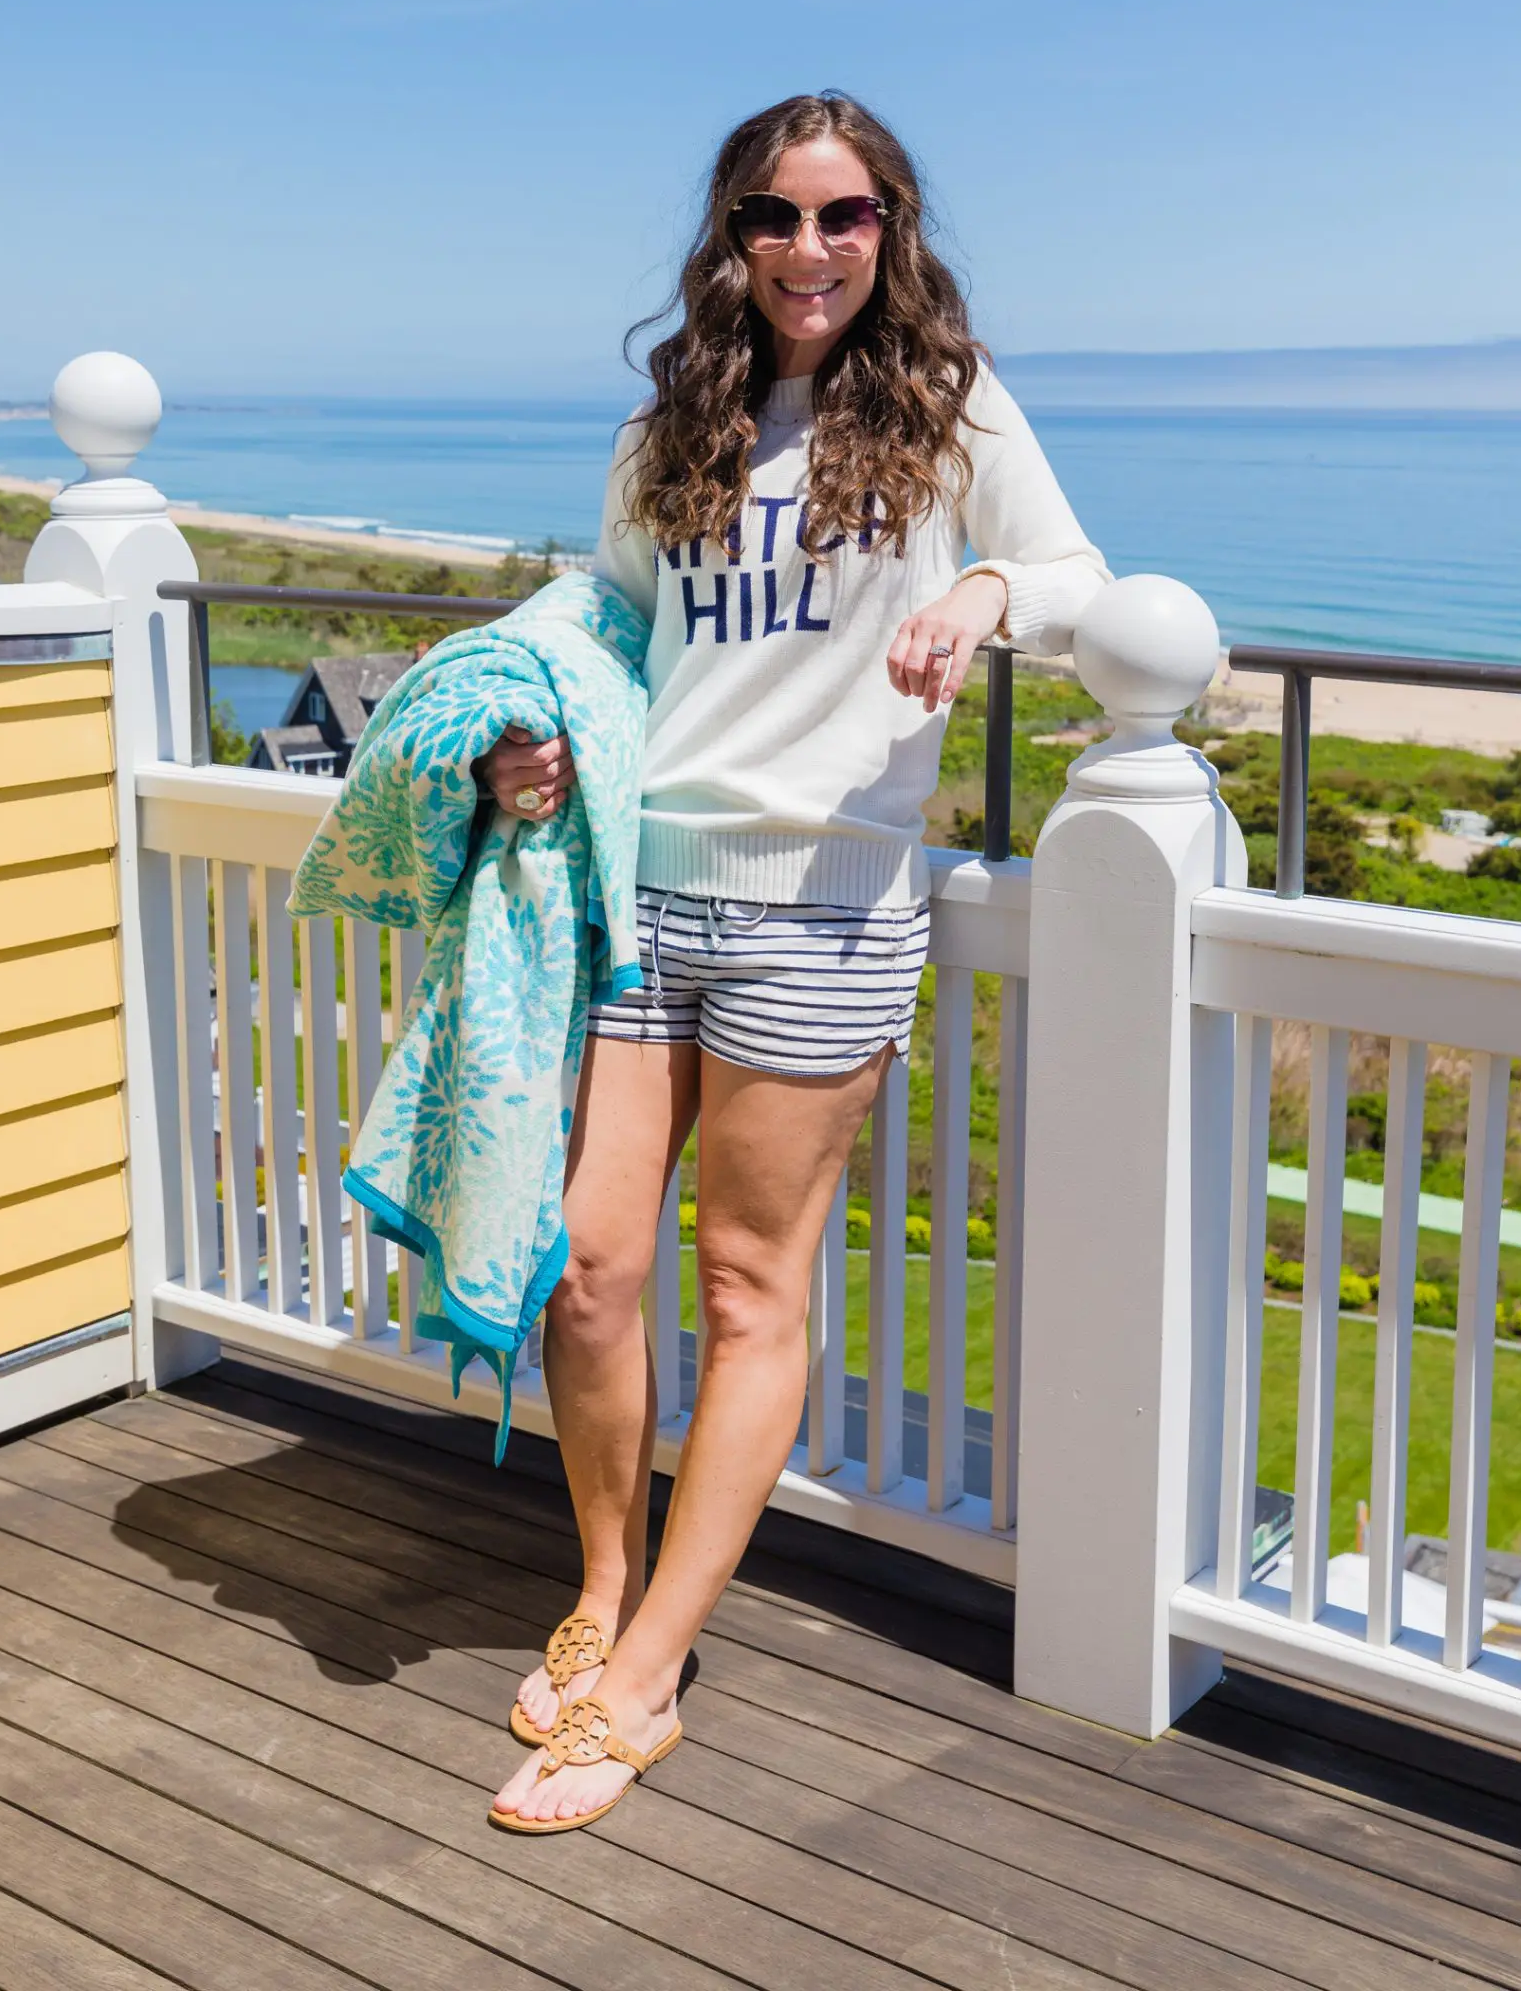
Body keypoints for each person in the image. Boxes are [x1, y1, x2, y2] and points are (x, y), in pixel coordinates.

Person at [488, 91, 1109, 1833]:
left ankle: (647, 1672)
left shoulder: (947, 408)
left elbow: (1077, 574)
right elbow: (598, 620)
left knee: (750, 1291)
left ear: (891, 232)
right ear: (732, 237)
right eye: (773, 217)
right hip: (646, 886)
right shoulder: (669, 428)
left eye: (845, 218)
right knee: (590, 1273)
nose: (808, 249)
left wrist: (986, 595)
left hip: (822, 913)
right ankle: (604, 1588)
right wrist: (518, 734)